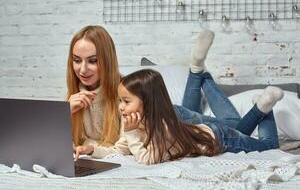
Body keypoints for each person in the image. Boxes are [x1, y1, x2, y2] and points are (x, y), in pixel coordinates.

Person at [74, 30, 284, 165]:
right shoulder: (135, 119)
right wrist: (92, 149)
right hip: (202, 134)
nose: (120, 106)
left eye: (125, 101)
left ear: (146, 102)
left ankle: (263, 110)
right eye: (120, 101)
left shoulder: (158, 126)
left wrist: (130, 133)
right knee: (238, 130)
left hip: (215, 137)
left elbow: (148, 158)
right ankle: (198, 71)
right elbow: (119, 149)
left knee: (267, 146)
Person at [66, 25, 121, 148]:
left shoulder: (126, 94)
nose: (83, 70)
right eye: (77, 60)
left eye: (93, 61)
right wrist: (65, 113)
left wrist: (90, 147)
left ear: (107, 61)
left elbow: (126, 149)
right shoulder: (74, 97)